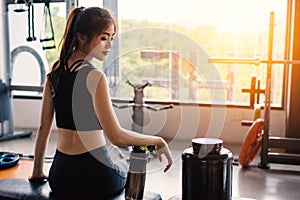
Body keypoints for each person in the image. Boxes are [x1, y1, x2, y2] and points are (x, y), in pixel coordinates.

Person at [29, 6, 173, 199]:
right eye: (103, 38)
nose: (109, 45)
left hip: (60, 177)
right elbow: (117, 136)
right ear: (82, 36)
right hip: (96, 178)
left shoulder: (54, 73)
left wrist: (37, 172)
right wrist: (157, 140)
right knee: (122, 161)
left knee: (115, 154)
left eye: (111, 38)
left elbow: (43, 126)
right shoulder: (95, 77)